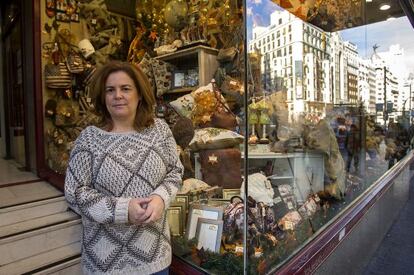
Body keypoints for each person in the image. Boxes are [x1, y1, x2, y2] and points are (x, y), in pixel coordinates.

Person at [64, 61, 183, 275]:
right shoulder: (89, 139)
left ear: (139, 94)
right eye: (110, 90)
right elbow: (75, 193)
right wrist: (123, 209)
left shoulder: (159, 130)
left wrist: (160, 198)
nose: (117, 95)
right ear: (103, 97)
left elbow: (175, 172)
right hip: (105, 264)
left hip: (155, 258)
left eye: (125, 88)